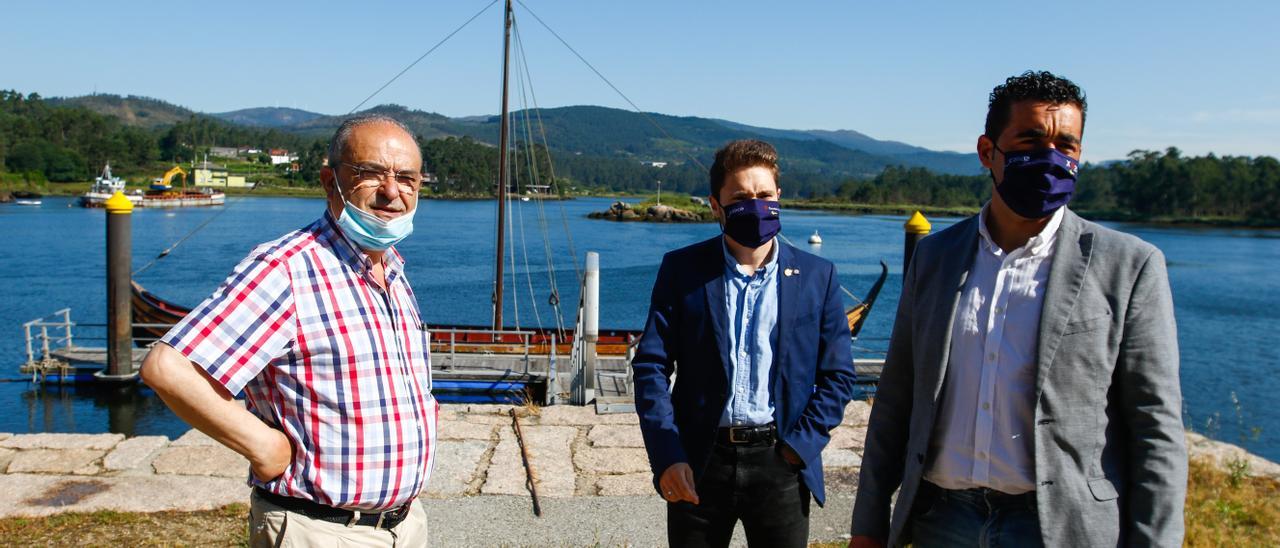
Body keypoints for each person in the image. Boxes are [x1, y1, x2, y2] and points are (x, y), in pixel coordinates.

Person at [848, 71, 1186, 547]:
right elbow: (896, 401)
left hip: (1059, 526)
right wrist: (867, 526)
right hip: (942, 520)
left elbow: (1156, 427)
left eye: (1065, 144)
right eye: (1030, 139)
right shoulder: (935, 258)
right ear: (988, 152)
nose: (1050, 156)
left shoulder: (1129, 266)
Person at [141, 114, 437, 547]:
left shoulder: (390, 268)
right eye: (370, 174)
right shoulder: (287, 269)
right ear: (329, 180)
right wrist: (261, 445)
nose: (392, 192)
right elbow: (169, 368)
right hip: (320, 530)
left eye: (407, 179)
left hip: (404, 526)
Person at [632, 139, 857, 547]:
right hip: (699, 461)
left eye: (764, 195)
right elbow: (650, 366)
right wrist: (667, 454)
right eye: (740, 198)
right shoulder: (682, 270)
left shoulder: (818, 276)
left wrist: (798, 448)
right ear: (715, 206)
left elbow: (838, 375)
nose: (755, 206)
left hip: (781, 462)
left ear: (779, 197)